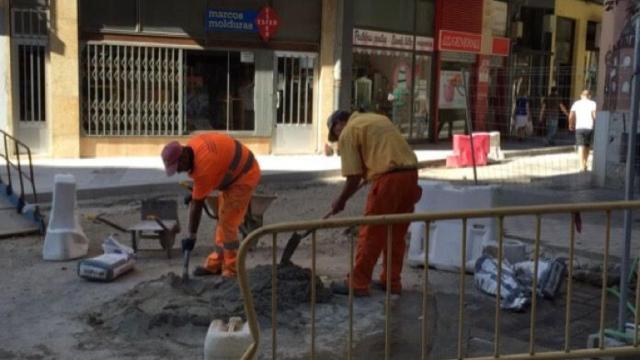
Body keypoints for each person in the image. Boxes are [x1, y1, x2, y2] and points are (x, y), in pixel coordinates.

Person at [327, 110, 422, 296]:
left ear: (340, 123)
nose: (338, 137)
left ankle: (358, 283)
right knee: (396, 233)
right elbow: (374, 158)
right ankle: (392, 281)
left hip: (388, 180)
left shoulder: (349, 131)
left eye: (336, 132)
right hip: (411, 175)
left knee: (372, 231)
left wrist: (341, 201)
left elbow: (353, 177)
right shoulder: (378, 118)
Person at [161, 133, 261, 278]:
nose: (178, 171)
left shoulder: (205, 164)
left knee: (228, 223)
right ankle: (217, 264)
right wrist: (197, 192)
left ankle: (232, 269)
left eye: (177, 167)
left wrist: (191, 236)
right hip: (233, 175)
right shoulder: (193, 146)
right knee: (223, 219)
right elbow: (207, 181)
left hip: (245, 175)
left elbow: (197, 205)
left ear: (183, 157)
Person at [568, 89, 597, 171]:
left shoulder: (576, 103)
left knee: (580, 146)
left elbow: (571, 115)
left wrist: (570, 124)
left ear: (581, 96)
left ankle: (581, 166)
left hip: (579, 127)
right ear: (589, 96)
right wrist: (597, 124)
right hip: (589, 127)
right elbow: (594, 115)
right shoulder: (593, 103)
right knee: (587, 146)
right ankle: (585, 162)